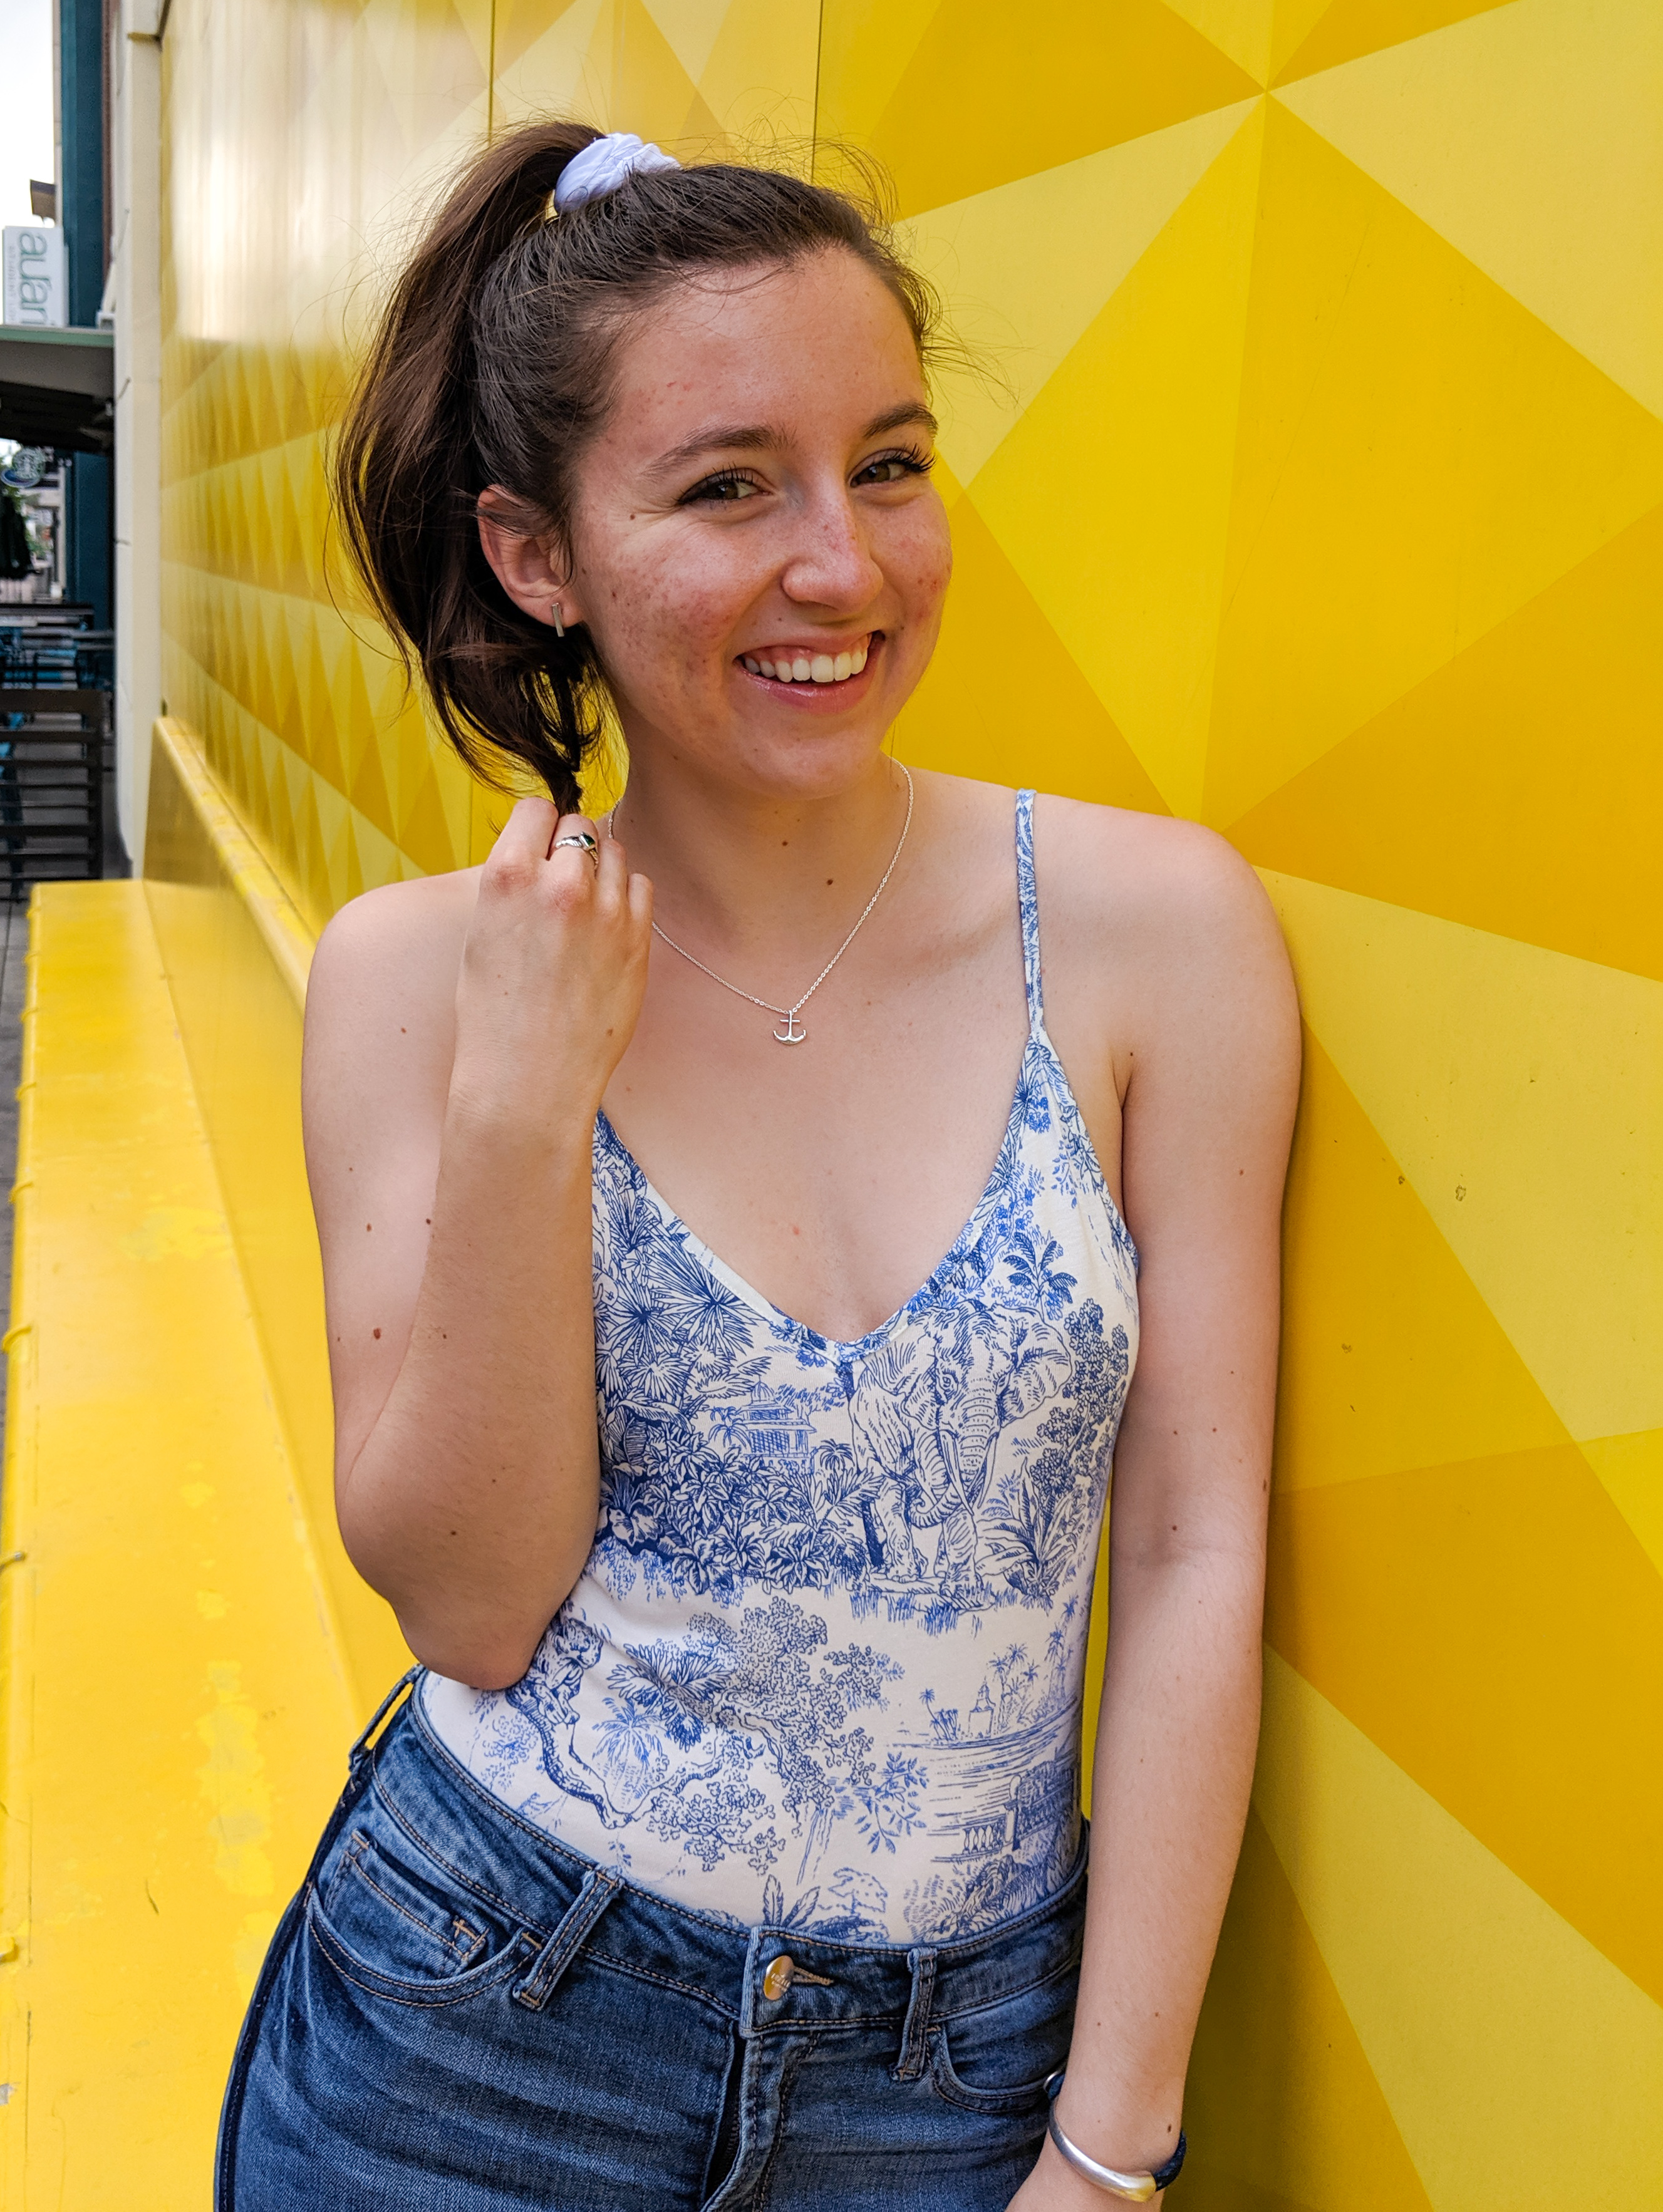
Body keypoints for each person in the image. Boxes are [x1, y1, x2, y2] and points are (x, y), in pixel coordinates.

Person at [216, 125, 1299, 2211]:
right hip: (482, 2028)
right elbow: (473, 1605)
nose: (845, 569)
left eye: (888, 465)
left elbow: (1190, 1551)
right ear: (537, 554)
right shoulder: (421, 979)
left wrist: (1109, 2147)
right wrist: (524, 1106)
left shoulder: (1156, 937)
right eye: (729, 487)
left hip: (955, 2074)